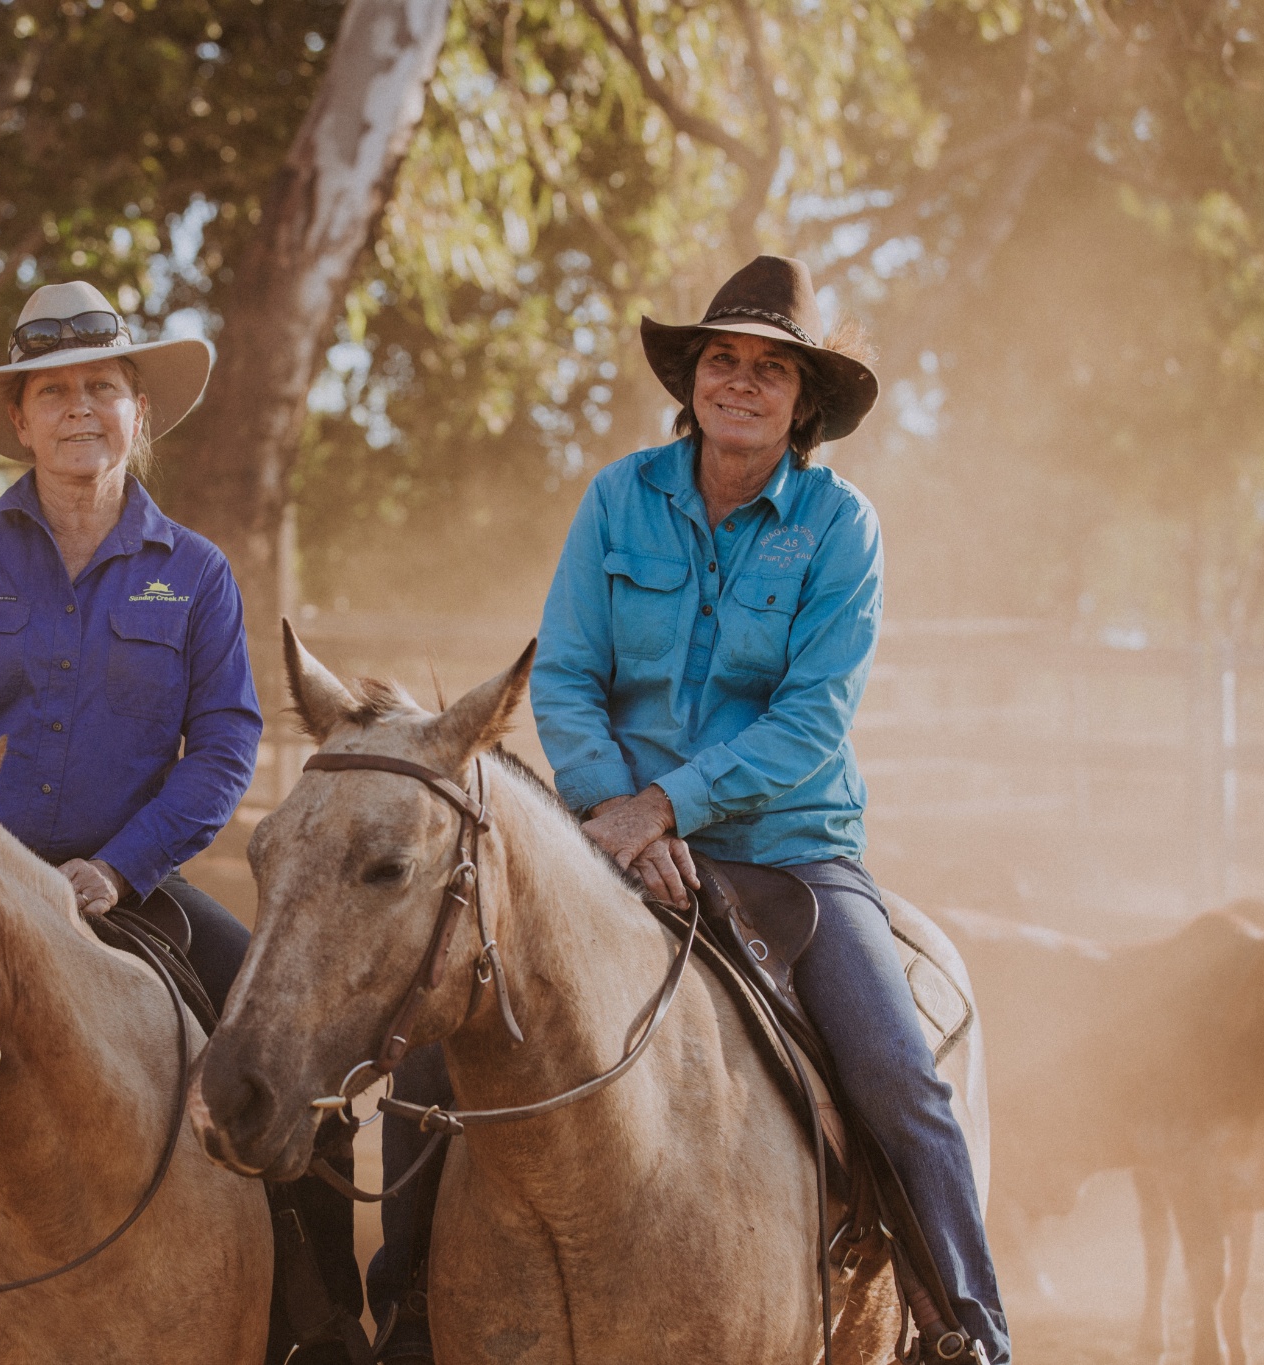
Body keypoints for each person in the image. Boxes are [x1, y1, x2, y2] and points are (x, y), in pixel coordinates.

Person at [0, 280, 361, 1364]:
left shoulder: (191, 575)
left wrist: (118, 866)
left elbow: (227, 748)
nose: (77, 411)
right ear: (18, 419)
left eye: (100, 387)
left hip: (130, 891)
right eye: (52, 392)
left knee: (295, 1054)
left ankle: (320, 1322)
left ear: (136, 409)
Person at [529, 255, 1010, 1361]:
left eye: (767, 369)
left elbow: (808, 720)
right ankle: (401, 1316)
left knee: (898, 1081)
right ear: (690, 380)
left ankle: (974, 1332)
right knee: (451, 1004)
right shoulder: (617, 498)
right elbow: (563, 678)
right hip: (610, 834)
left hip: (788, 849)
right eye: (719, 360)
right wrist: (616, 809)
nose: (738, 383)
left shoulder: (841, 528)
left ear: (802, 403)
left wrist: (665, 806)